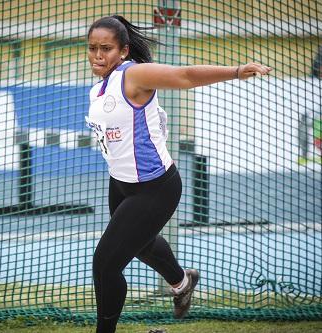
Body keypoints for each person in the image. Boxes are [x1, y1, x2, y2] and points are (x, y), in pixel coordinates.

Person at [85, 15, 272, 333]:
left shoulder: (133, 75)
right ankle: (182, 282)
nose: (98, 55)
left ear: (124, 51)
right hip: (121, 183)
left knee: (105, 264)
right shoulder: (98, 89)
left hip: (155, 188)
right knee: (141, 244)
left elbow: (184, 76)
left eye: (106, 48)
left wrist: (237, 71)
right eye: (92, 48)